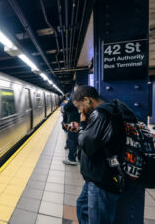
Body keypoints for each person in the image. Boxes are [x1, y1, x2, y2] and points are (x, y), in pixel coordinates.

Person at [68, 85, 145, 224]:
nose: (80, 111)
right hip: (98, 178)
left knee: (98, 219)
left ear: (87, 100)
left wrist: (83, 125)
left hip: (101, 181)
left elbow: (86, 145)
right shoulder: (108, 111)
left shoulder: (101, 114)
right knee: (82, 206)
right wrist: (83, 129)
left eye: (79, 107)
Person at [62, 88, 80, 165]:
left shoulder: (74, 97)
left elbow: (66, 108)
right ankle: (78, 157)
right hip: (80, 122)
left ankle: (71, 159)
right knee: (76, 140)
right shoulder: (83, 98)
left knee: (72, 140)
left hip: (73, 122)